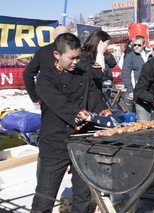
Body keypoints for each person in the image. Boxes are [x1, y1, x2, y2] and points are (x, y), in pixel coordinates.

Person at [32, 33, 110, 212]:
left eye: (78, 57)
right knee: (45, 195)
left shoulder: (83, 75)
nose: (76, 61)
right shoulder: (46, 79)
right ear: (57, 55)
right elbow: (62, 106)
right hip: (54, 143)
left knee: (82, 196)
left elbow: (94, 98)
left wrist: (103, 112)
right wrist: (83, 115)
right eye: (71, 58)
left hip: (81, 142)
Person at [23, 25, 69, 109]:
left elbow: (27, 74)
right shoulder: (74, 52)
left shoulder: (42, 51)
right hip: (67, 96)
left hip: (48, 97)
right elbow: (27, 74)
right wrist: (34, 97)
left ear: (53, 37)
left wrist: (35, 98)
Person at [76, 29, 111, 99]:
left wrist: (104, 53)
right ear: (99, 43)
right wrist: (100, 54)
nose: (107, 47)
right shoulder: (83, 56)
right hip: (87, 97)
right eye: (106, 44)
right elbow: (97, 74)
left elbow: (112, 63)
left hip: (97, 95)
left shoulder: (95, 55)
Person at [121, 35, 151, 112]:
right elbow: (125, 73)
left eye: (139, 45)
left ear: (144, 45)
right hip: (137, 89)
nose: (136, 47)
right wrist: (130, 90)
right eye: (135, 45)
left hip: (150, 89)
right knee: (140, 112)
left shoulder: (149, 55)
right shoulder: (130, 56)